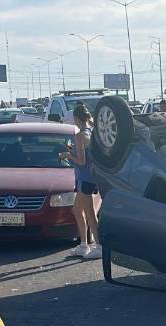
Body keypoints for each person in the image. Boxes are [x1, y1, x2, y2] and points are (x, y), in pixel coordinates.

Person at [68, 103, 102, 260]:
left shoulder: (80, 135)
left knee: (89, 213)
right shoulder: (92, 132)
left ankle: (98, 245)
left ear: (76, 119)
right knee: (77, 210)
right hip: (89, 177)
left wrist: (67, 156)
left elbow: (81, 161)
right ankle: (84, 244)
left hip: (85, 178)